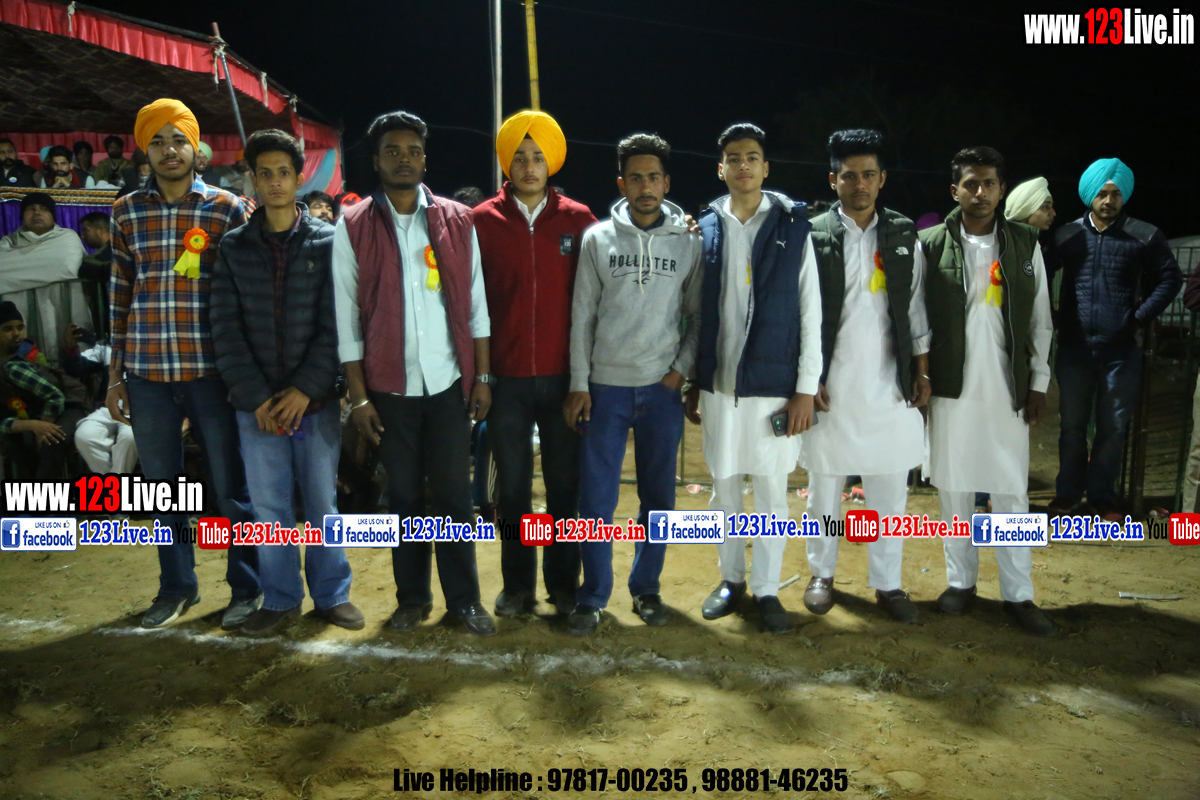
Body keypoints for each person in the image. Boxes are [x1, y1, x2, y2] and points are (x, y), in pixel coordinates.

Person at [332, 110, 495, 637]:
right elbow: (346, 318)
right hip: (389, 388)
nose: (403, 159)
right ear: (376, 160)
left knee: (454, 498)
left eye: (413, 151)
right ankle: (412, 599)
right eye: (392, 151)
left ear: (425, 159)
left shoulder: (456, 219)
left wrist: (482, 378)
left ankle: (465, 601)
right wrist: (360, 399)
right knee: (403, 498)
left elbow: (476, 304)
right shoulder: (353, 225)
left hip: (448, 385)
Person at [106, 98, 260, 630]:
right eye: (157, 142)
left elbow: (250, 289)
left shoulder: (229, 208)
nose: (168, 151)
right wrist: (115, 376)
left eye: (178, 140)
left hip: (212, 373)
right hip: (147, 373)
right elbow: (119, 296)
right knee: (161, 491)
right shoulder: (126, 211)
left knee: (231, 488)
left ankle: (247, 587)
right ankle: (176, 587)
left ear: (196, 149)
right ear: (144, 152)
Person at [211, 128, 362, 636]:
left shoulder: (328, 240)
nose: (275, 182)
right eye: (265, 174)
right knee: (269, 507)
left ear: (299, 178)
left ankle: (332, 593)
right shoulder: (233, 247)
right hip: (255, 407)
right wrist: (256, 397)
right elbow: (225, 327)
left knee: (322, 503)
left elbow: (336, 324)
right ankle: (279, 598)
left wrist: (305, 390)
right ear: (252, 181)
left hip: (314, 403)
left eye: (283, 173)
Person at [563, 133, 702, 636]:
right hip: (605, 388)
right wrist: (580, 382)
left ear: (667, 183)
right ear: (622, 184)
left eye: (654, 178)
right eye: (636, 178)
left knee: (658, 498)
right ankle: (592, 596)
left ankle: (647, 589)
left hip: (660, 389)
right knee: (596, 501)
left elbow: (695, 314)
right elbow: (582, 316)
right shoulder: (598, 239)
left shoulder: (689, 240)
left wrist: (680, 371)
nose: (646, 187)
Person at [687, 123, 819, 634]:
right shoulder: (707, 225)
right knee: (724, 491)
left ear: (766, 167)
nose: (743, 165)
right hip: (719, 385)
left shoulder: (793, 225)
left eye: (752, 157)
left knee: (770, 495)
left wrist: (805, 388)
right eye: (733, 158)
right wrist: (694, 380)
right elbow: (695, 308)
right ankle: (731, 580)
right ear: (720, 168)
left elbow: (809, 309)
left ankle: (766, 589)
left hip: (773, 386)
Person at [920, 146, 1055, 637]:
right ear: (954, 190)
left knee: (1010, 489)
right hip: (950, 388)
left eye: (989, 183)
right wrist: (921, 377)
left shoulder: (1023, 243)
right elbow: (916, 317)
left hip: (1007, 388)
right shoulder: (931, 244)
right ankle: (961, 583)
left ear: (1001, 190)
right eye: (971, 183)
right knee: (954, 487)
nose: (980, 192)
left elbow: (1040, 320)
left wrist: (1037, 382)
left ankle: (1019, 594)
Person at [799, 129, 930, 624]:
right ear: (833, 180)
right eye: (849, 175)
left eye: (868, 175)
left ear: (882, 179)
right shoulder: (813, 234)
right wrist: (807, 379)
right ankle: (821, 574)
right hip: (830, 385)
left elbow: (916, 308)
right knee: (825, 485)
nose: (860, 184)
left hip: (888, 383)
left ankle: (888, 583)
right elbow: (801, 313)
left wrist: (921, 370)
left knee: (889, 488)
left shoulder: (902, 234)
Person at [473, 110, 597, 617]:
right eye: (520, 157)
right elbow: (473, 304)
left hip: (564, 380)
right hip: (505, 382)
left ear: (551, 163)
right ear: (507, 162)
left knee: (565, 487)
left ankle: (564, 584)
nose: (528, 166)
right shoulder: (481, 221)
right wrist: (482, 375)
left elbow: (594, 300)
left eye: (538, 157)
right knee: (514, 491)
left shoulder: (579, 220)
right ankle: (517, 585)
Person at [1049, 158, 1183, 519]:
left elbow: (1170, 279)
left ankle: (1102, 497)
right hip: (1074, 349)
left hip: (1121, 352)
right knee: (1072, 426)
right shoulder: (1067, 235)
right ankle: (1067, 495)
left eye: (1116, 194)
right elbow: (1038, 274)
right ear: (1090, 195)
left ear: (1124, 196)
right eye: (1102, 193)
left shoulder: (1144, 235)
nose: (1109, 200)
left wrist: (1137, 318)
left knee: (1112, 427)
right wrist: (1052, 316)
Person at [0, 302, 90, 479]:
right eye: (8, 329)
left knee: (52, 439)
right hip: (37, 411)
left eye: (20, 328)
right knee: (12, 444)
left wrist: (43, 426)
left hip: (71, 404)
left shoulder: (11, 366)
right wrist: (34, 425)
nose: (16, 334)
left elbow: (55, 396)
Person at [0, 193, 92, 366]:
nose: (37, 213)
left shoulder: (67, 238)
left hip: (61, 306)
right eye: (30, 209)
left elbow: (65, 266)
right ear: (22, 216)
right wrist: (46, 269)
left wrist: (16, 271)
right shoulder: (8, 243)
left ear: (53, 216)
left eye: (43, 209)